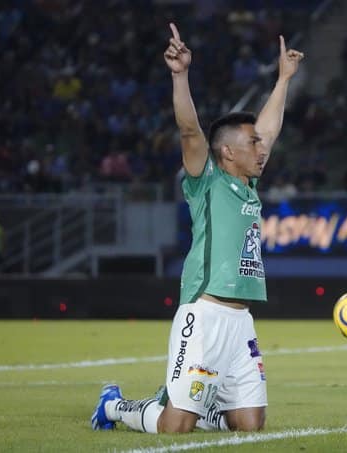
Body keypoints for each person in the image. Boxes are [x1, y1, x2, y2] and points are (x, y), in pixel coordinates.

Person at [91, 22, 303, 434]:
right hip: (203, 313)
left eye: (260, 144)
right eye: (253, 144)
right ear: (227, 151)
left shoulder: (249, 184)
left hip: (241, 321)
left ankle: (197, 400)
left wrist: (284, 80)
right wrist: (180, 75)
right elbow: (190, 129)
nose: (262, 149)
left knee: (250, 424)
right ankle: (115, 406)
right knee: (175, 428)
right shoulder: (206, 180)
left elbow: (271, 127)